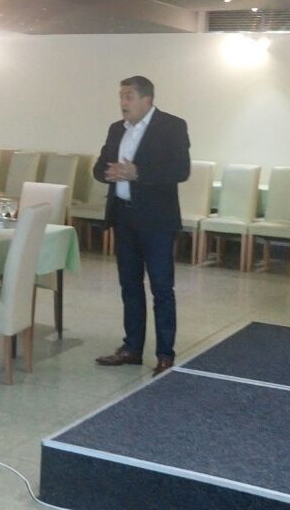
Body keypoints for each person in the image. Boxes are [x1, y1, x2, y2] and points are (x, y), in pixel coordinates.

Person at [93, 76, 190, 376]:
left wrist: (139, 173)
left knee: (161, 287)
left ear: (147, 99)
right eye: (121, 96)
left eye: (129, 96)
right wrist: (108, 173)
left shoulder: (172, 126)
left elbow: (181, 170)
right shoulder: (116, 129)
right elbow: (99, 167)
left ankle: (165, 355)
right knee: (130, 285)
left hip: (157, 221)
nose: (123, 102)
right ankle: (132, 348)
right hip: (124, 217)